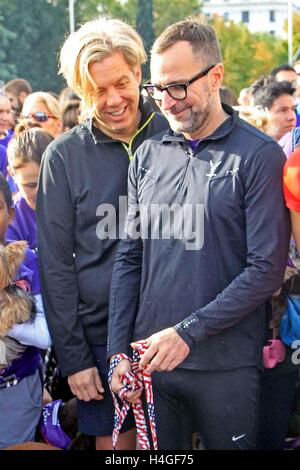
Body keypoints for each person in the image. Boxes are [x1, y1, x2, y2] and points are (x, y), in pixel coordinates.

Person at [108, 19, 290, 450]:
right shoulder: (147, 154)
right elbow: (129, 257)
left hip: (225, 368)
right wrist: (118, 351)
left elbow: (266, 269)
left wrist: (187, 332)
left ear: (216, 77)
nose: (166, 103)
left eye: (177, 87)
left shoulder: (258, 156)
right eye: (156, 89)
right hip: (152, 365)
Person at [36, 17, 168, 450]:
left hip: (174, 330)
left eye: (120, 84)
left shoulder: (177, 136)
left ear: (138, 74)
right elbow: (55, 265)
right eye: (97, 91)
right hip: (98, 338)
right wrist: (75, 358)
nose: (113, 100)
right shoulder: (63, 157)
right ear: (80, 92)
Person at [0, 173, 51, 448]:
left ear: (10, 214)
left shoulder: (27, 262)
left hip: (15, 387)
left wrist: (7, 323)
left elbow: (45, 336)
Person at [6, 127, 53, 252]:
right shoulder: (11, 219)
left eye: (48, 182)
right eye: (31, 185)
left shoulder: (77, 204)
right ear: (12, 174)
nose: (41, 191)